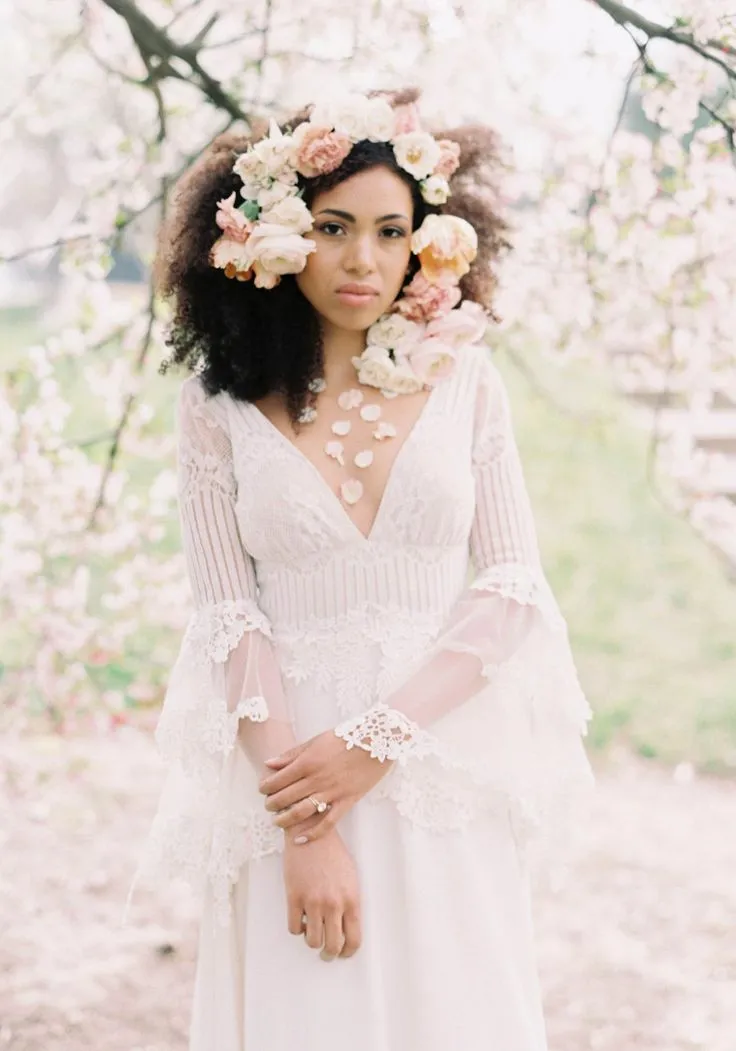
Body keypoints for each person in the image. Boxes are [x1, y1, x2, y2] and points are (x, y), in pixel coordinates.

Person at [129, 86, 594, 1051]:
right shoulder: (217, 407)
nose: (364, 259)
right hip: (287, 769)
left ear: (424, 241)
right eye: (334, 227)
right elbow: (230, 619)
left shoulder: (466, 378)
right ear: (279, 233)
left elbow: (509, 587)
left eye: (392, 230)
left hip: (440, 758)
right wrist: (306, 825)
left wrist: (376, 743)